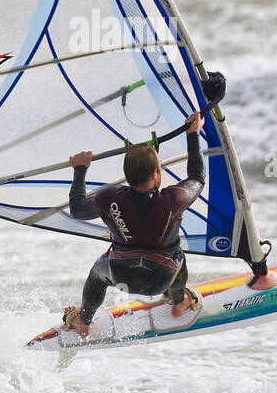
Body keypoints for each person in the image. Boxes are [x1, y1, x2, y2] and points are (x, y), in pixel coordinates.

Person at [62, 110, 207, 338]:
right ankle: (178, 301)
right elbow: (197, 177)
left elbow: (78, 210)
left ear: (126, 174)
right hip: (161, 280)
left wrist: (80, 169)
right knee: (177, 257)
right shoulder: (174, 200)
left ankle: (84, 320)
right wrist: (193, 134)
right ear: (155, 173)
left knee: (97, 274)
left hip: (121, 277)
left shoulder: (109, 198)